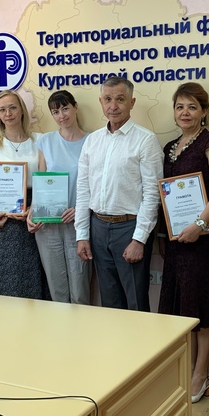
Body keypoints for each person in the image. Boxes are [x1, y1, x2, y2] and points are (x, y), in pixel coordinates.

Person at [159, 82, 209, 403]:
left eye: (192, 107)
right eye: (179, 107)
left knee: (202, 307)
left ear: (204, 112)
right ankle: (187, 371)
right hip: (176, 241)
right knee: (182, 309)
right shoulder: (169, 146)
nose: (185, 113)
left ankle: (201, 375)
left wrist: (199, 225)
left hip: (202, 241)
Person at [75, 76, 163, 311]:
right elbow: (83, 191)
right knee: (110, 303)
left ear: (132, 103)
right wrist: (82, 235)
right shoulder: (92, 141)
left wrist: (139, 239)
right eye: (107, 99)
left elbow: (152, 195)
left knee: (136, 303)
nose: (113, 106)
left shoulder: (145, 140)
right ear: (101, 102)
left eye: (120, 99)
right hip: (98, 228)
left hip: (130, 228)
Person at [0, 90, 45, 299]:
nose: (8, 114)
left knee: (31, 273)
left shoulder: (40, 141)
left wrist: (34, 209)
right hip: (0, 218)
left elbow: (43, 182)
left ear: (22, 110)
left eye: (13, 108)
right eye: (2, 110)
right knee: (1, 277)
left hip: (31, 217)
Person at [27, 90, 90, 304]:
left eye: (65, 108)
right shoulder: (46, 141)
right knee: (57, 289)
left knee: (80, 289)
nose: (61, 115)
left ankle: (81, 326)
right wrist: (32, 213)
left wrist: (81, 210)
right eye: (55, 112)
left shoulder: (92, 141)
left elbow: (97, 184)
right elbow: (41, 180)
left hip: (77, 222)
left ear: (75, 107)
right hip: (48, 224)